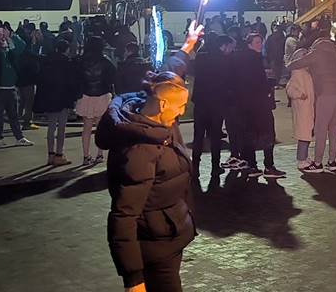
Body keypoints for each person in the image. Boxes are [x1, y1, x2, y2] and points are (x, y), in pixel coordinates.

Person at [96, 26, 202, 292]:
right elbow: (123, 216)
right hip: (155, 245)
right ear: (164, 106)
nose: (182, 111)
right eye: (180, 106)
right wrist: (133, 279)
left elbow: (170, 75)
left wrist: (188, 45)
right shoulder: (139, 152)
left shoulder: (153, 105)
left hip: (167, 233)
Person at [287, 29, 336, 173]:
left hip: (325, 95)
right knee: (334, 130)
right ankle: (332, 162)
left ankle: (318, 162)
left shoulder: (317, 51)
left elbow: (296, 64)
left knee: (321, 130)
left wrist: (288, 64)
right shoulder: (332, 52)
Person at [232, 33, 285, 179]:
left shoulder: (240, 58)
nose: (259, 44)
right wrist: (268, 87)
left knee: (250, 135)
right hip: (259, 104)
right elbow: (258, 82)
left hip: (246, 105)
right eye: (256, 42)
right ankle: (268, 166)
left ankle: (252, 164)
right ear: (249, 44)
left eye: (260, 42)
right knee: (268, 134)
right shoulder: (255, 59)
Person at [190, 35, 235, 176]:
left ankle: (195, 167)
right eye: (230, 47)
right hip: (216, 103)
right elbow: (228, 82)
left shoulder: (201, 57)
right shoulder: (224, 60)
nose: (231, 51)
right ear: (224, 45)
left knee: (198, 136)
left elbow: (193, 73)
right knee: (215, 137)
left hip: (201, 102)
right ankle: (215, 167)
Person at [0, 27, 33, 147]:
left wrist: (10, 36)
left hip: (11, 89)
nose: (2, 40)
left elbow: (22, 46)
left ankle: (19, 138)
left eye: (3, 39)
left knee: (13, 115)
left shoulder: (10, 53)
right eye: (0, 39)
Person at [33, 40, 80, 166]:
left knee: (51, 127)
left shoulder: (46, 61)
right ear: (66, 49)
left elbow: (40, 79)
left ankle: (50, 155)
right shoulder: (67, 63)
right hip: (63, 97)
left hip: (49, 97)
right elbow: (72, 82)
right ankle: (59, 155)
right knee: (62, 127)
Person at [75, 37, 116, 165]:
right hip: (102, 95)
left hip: (86, 95)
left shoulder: (81, 61)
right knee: (100, 127)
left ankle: (86, 156)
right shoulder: (106, 61)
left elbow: (77, 78)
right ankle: (99, 154)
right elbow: (112, 77)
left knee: (86, 127)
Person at [286, 59, 316, 170]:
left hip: (307, 108)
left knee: (306, 134)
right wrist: (300, 94)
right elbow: (290, 88)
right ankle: (301, 159)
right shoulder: (298, 73)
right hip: (303, 108)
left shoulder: (305, 73)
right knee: (303, 135)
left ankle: (304, 157)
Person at [16, 31, 43, 131]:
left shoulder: (19, 53)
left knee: (22, 101)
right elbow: (37, 64)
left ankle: (18, 118)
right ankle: (27, 122)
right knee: (29, 103)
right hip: (28, 82)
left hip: (20, 81)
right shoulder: (30, 54)